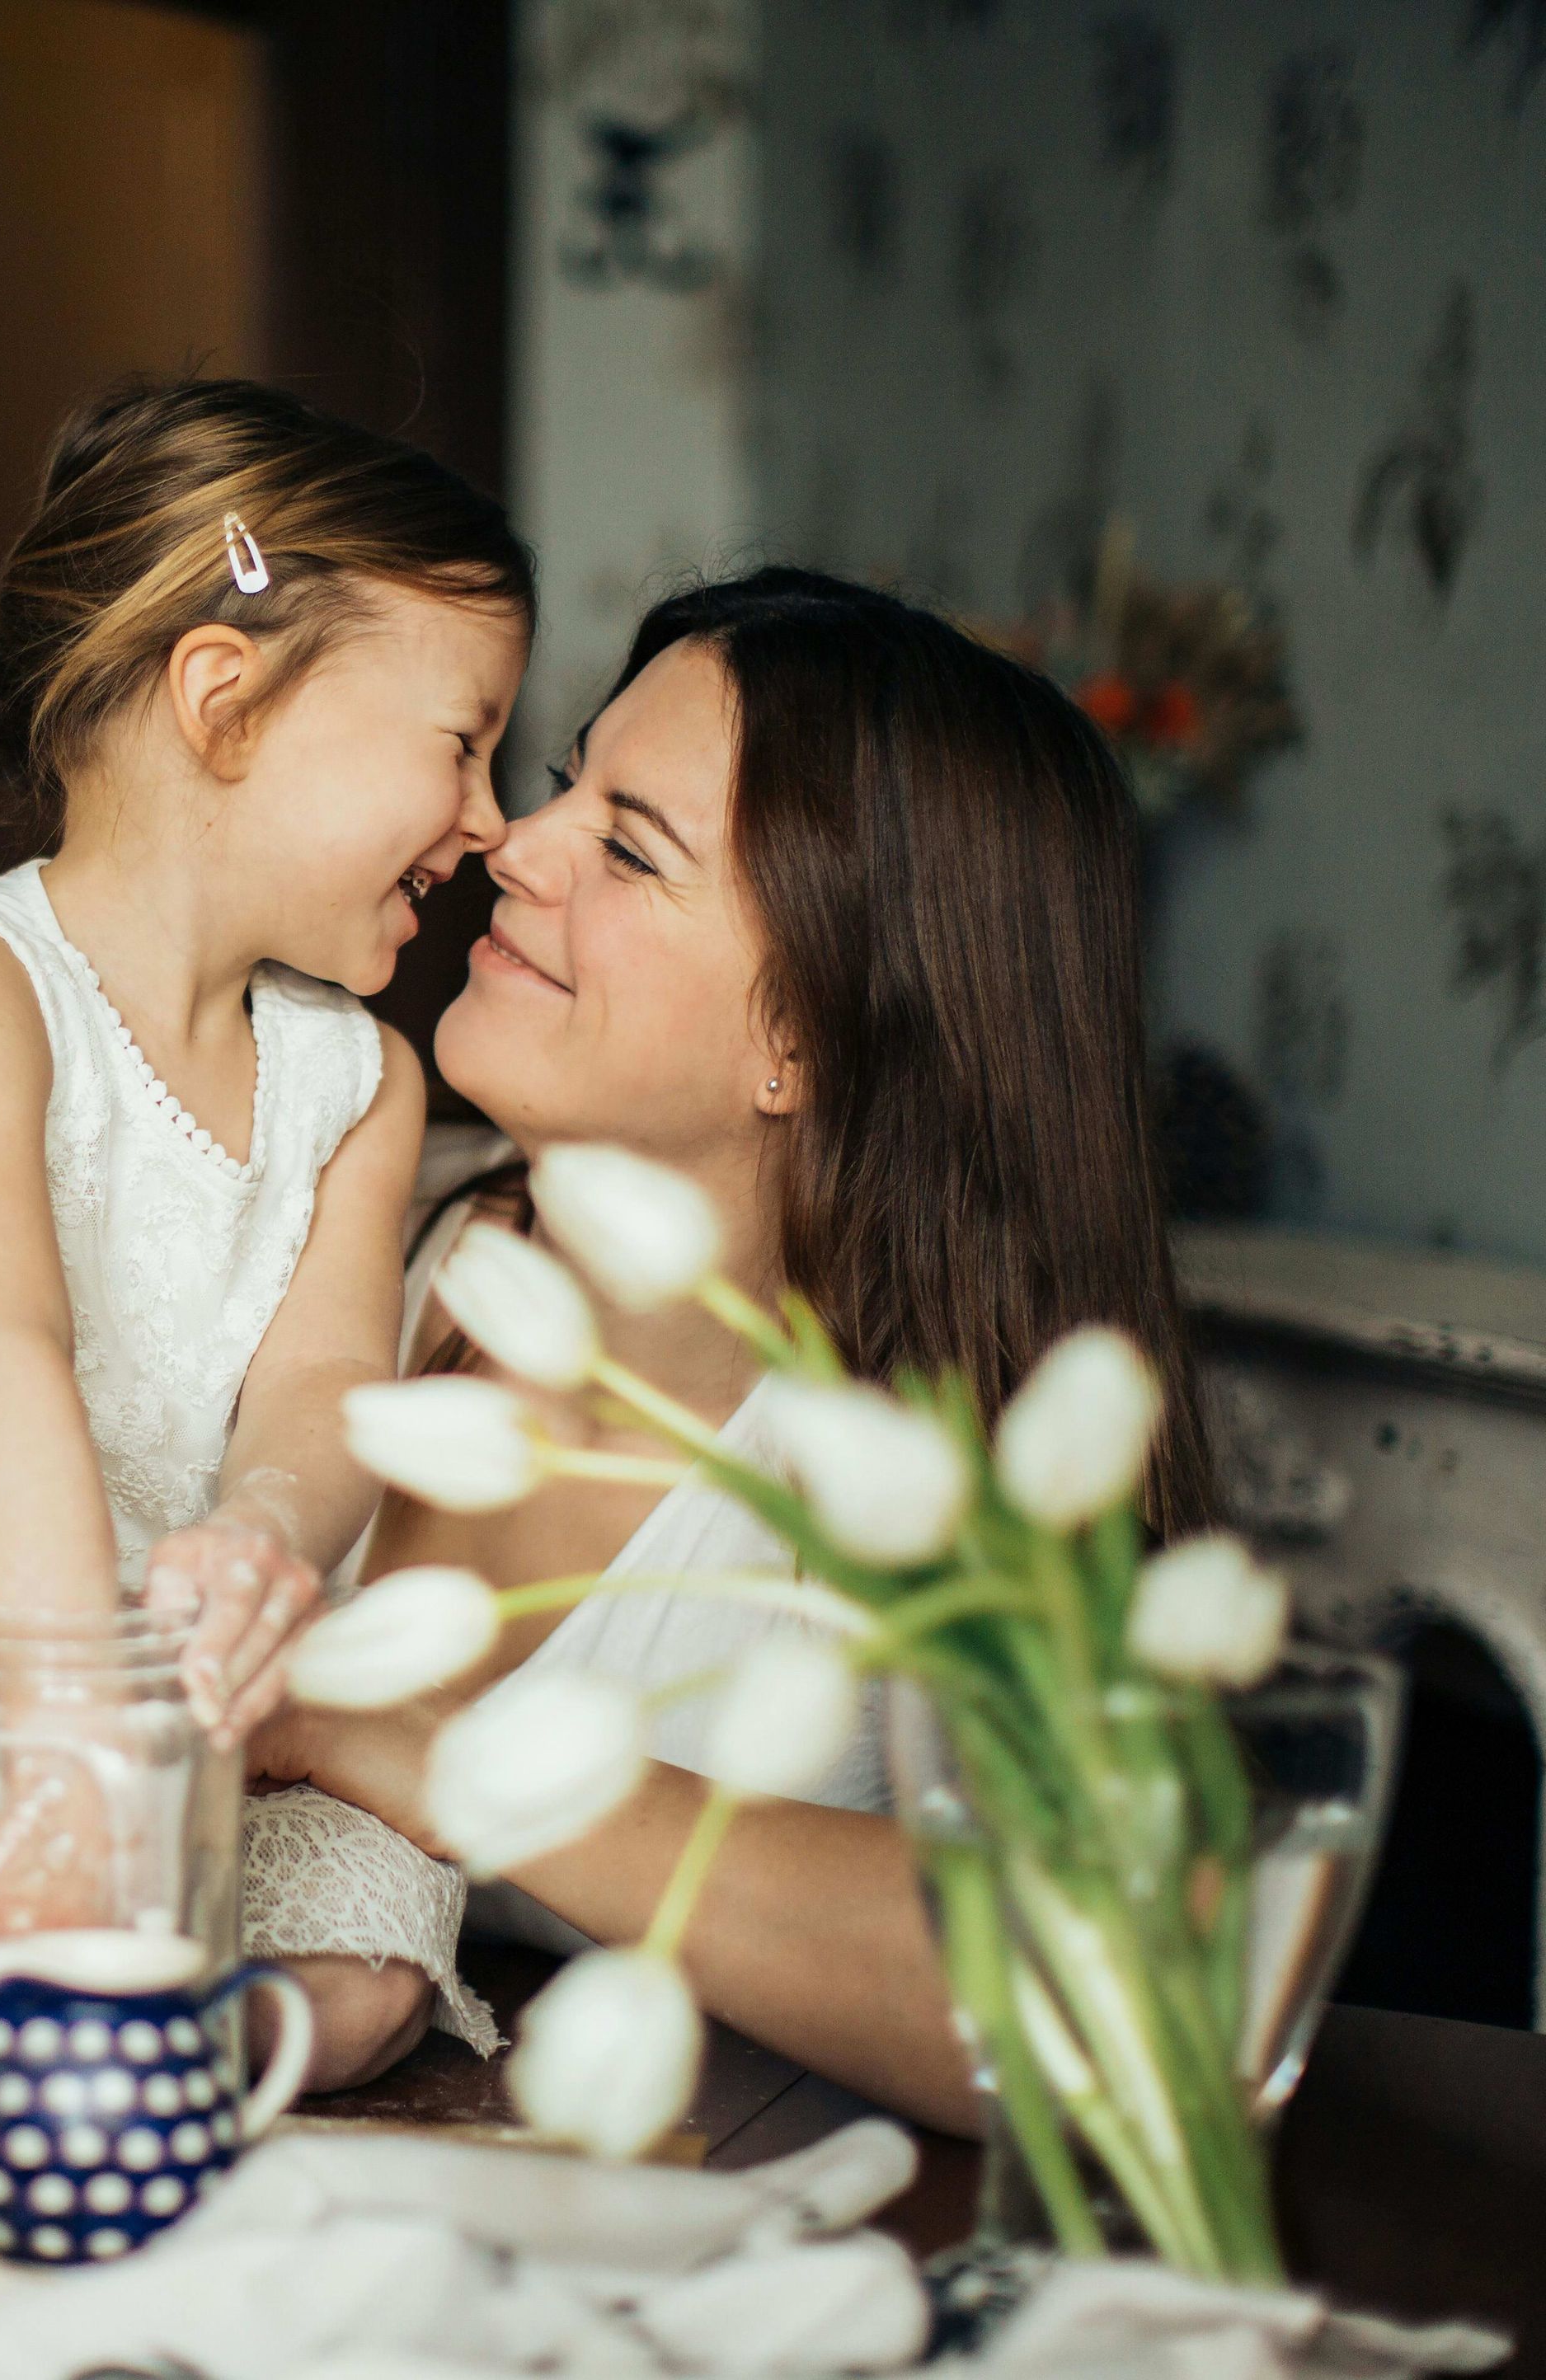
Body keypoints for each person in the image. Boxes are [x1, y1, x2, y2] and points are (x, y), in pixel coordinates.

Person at [251, 566, 1215, 2132]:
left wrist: (445, 1756)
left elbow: (1111, 2003)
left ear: (804, 1041)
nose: (515, 838)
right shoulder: (334, 1226)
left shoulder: (935, 1480)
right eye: (571, 782)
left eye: (629, 846)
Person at [0, 378, 537, 2091]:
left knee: (379, 1924)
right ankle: (54, 2027)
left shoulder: (359, 1079)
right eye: (464, 741)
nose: (494, 818)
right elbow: (0, 1363)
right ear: (225, 700)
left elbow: (323, 1392)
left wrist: (270, 1537)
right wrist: (62, 1757)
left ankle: (141, 2051)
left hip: (153, 1742)